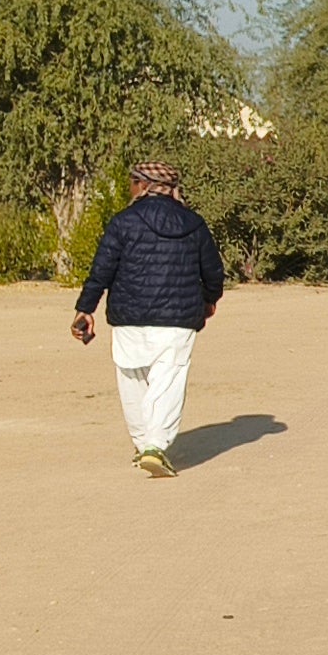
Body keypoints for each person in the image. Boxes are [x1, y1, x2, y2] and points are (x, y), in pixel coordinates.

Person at [70, 159, 225, 476]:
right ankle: (154, 446)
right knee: (168, 380)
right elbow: (213, 271)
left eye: (131, 182)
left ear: (143, 185)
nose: (130, 188)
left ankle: (144, 445)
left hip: (129, 317)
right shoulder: (193, 223)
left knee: (132, 379)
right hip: (178, 318)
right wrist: (209, 300)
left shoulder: (123, 222)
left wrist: (86, 308)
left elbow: (102, 270)